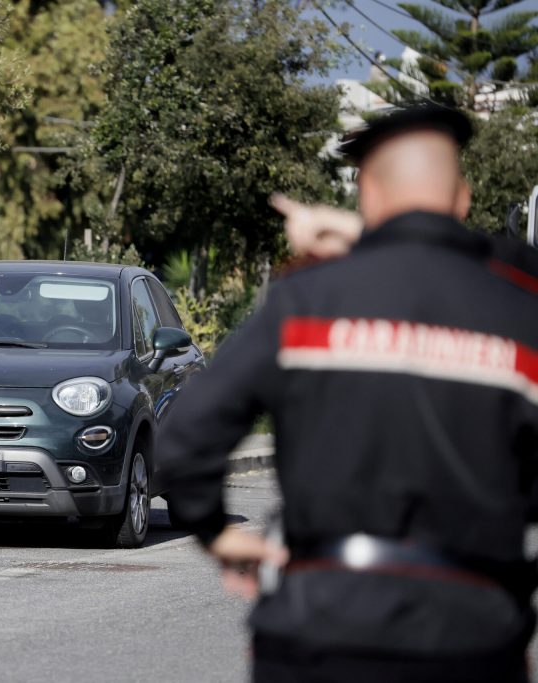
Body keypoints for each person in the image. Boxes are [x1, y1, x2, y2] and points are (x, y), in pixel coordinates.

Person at [160, 104, 538, 681]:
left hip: (319, 630)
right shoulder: (518, 316)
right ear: (462, 200)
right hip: (473, 636)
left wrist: (217, 532)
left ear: (368, 195)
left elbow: (186, 438)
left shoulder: (308, 301)